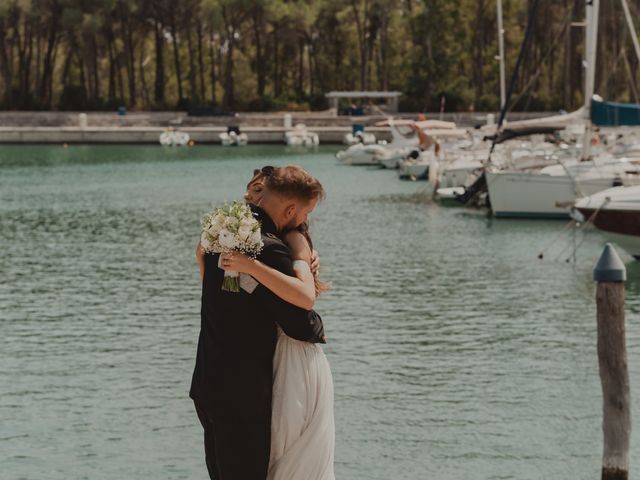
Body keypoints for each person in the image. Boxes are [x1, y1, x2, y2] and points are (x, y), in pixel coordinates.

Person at [190, 165, 329, 480]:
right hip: (242, 395)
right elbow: (300, 323)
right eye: (306, 213)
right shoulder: (269, 249)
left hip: (208, 383)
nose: (306, 221)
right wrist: (302, 263)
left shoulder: (221, 233)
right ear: (291, 209)